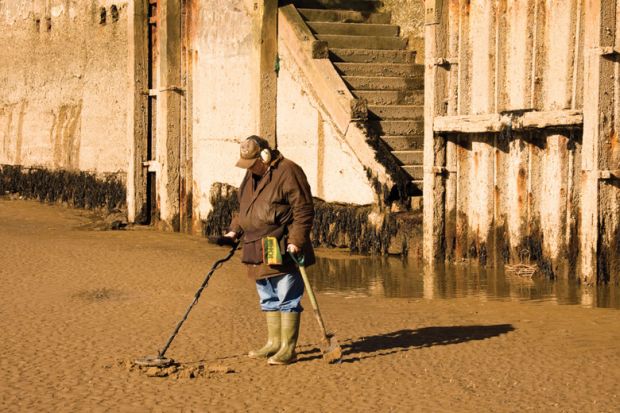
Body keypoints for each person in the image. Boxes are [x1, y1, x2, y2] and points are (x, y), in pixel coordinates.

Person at [224, 135, 315, 365]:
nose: (249, 168)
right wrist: (234, 231)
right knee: (268, 297)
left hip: (283, 244)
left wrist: (296, 240)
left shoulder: (289, 171)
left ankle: (288, 348)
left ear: (265, 155)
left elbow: (303, 210)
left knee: (288, 297)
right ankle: (273, 343)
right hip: (256, 247)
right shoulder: (251, 174)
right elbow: (244, 209)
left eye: (253, 163)